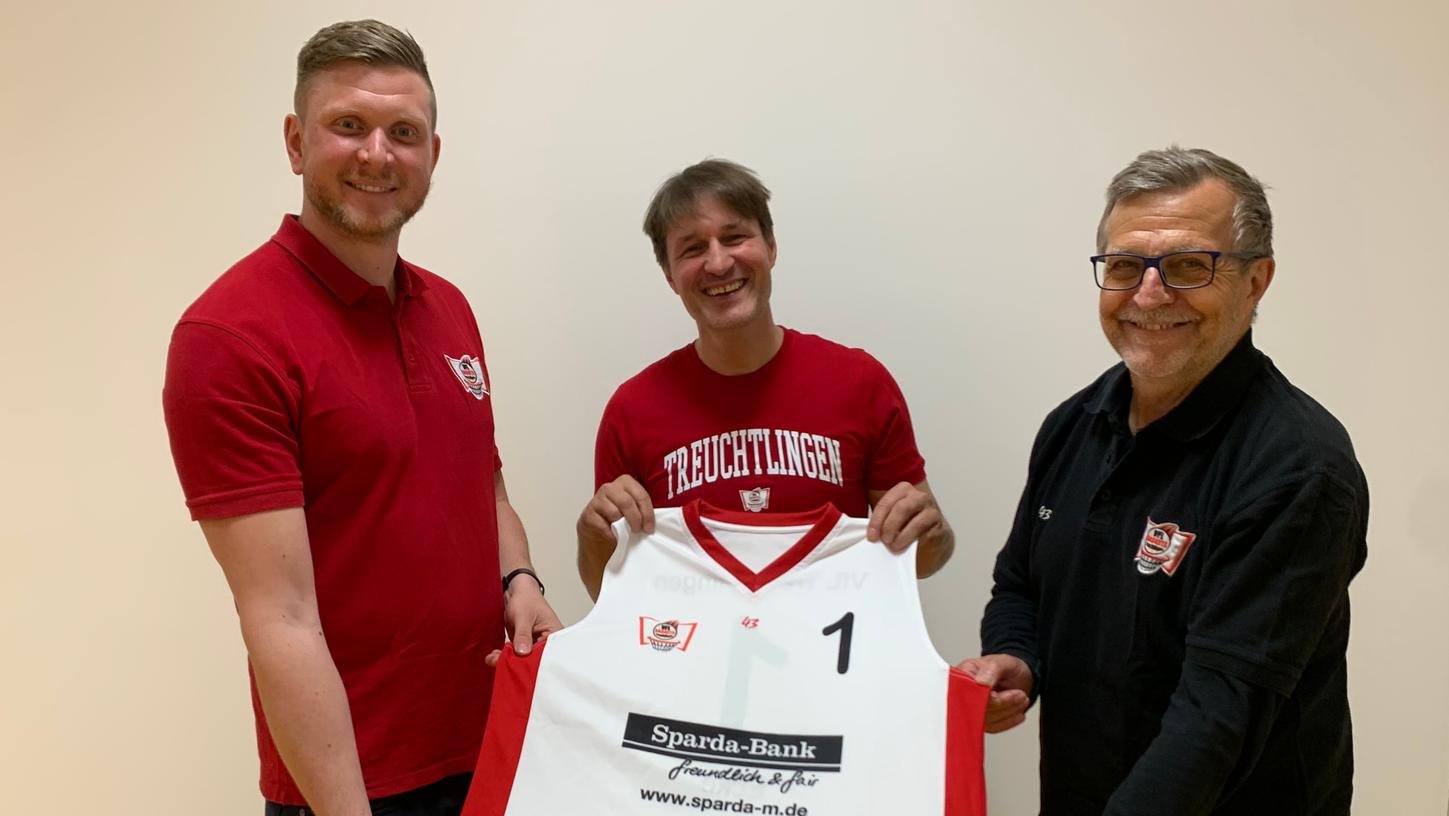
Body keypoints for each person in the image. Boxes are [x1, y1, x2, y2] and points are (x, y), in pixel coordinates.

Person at [162, 20, 559, 816]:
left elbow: (483, 485)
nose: (377, 155)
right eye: (349, 125)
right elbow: (279, 619)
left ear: (432, 157)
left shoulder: (449, 308)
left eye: (403, 133)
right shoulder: (228, 337)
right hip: (359, 788)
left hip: (495, 743)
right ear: (295, 142)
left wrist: (518, 575)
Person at [962, 147, 1368, 814]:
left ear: (1255, 281)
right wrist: (1017, 657)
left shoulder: (1298, 469)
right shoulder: (1072, 425)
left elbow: (1217, 716)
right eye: (1124, 266)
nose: (1148, 295)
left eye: (1187, 266)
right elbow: (1020, 587)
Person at [576, 158, 953, 599]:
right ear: (670, 276)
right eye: (693, 249)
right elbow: (607, 592)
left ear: (771, 246)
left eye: (735, 237)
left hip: (834, 659)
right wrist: (592, 535)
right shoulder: (632, 409)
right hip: (692, 662)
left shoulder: (860, 382)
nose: (718, 263)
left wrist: (935, 534)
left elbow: (925, 560)